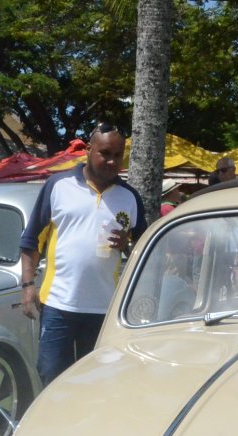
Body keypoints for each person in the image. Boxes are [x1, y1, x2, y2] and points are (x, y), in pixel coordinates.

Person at [20, 123, 148, 385]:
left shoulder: (129, 197)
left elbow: (145, 250)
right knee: (51, 375)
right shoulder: (59, 186)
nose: (112, 161)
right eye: (105, 153)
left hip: (105, 309)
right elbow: (32, 240)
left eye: (117, 155)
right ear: (89, 150)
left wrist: (127, 245)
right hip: (59, 305)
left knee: (98, 382)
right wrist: (28, 285)